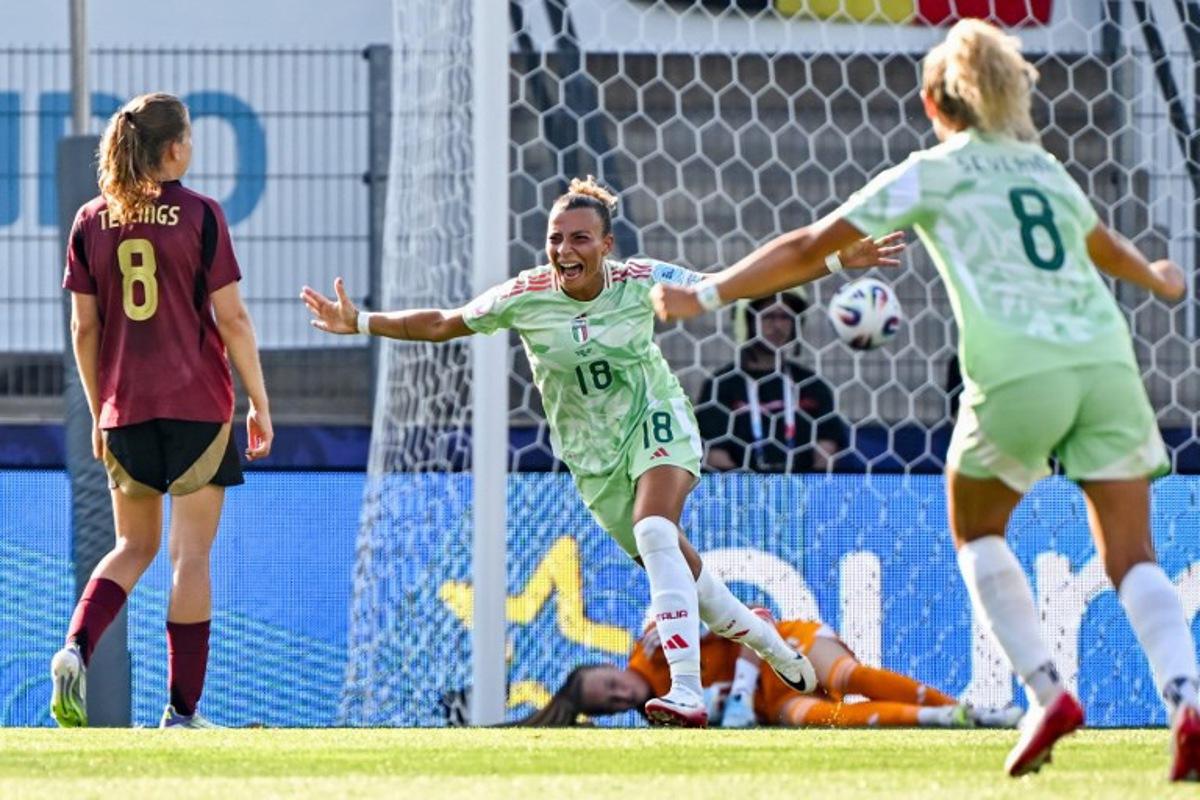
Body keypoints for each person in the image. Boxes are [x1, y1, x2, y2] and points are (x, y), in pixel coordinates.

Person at [650, 19, 1200, 780]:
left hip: (1018, 367)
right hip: (1106, 362)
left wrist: (701, 294)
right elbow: (1106, 248)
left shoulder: (935, 169)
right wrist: (1162, 281)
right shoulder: (1043, 169)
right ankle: (1187, 702)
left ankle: (1048, 694)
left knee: (976, 528)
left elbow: (810, 244)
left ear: (932, 103)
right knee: (1133, 555)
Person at [302, 175, 899, 726]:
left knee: (654, 527)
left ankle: (686, 690)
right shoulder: (525, 294)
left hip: (656, 419)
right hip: (592, 459)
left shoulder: (641, 281)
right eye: (555, 239)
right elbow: (442, 322)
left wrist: (830, 261)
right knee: (685, 577)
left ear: (606, 244)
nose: (565, 250)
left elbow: (734, 285)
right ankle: (766, 640)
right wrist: (361, 322)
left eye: (580, 238)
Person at [53, 92, 273, 730]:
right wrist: (259, 402)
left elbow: (82, 328)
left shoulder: (91, 220)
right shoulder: (201, 214)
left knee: (131, 545)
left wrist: (99, 412)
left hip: (125, 409)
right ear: (174, 147)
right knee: (189, 557)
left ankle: (75, 648)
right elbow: (231, 317)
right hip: (198, 407)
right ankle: (180, 712)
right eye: (191, 139)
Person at [519, 609, 1020, 730]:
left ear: (610, 664)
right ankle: (950, 720)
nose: (618, 694)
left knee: (847, 676)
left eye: (608, 683)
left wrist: (734, 691)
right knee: (825, 720)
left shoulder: (655, 641)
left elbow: (756, 618)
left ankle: (966, 706)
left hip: (786, 648)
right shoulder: (664, 715)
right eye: (608, 704)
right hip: (772, 701)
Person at [697, 291, 846, 472]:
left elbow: (826, 454)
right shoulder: (721, 386)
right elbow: (715, 455)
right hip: (742, 495)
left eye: (785, 317)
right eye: (768, 316)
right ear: (748, 321)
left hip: (803, 494)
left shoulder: (812, 386)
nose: (777, 326)